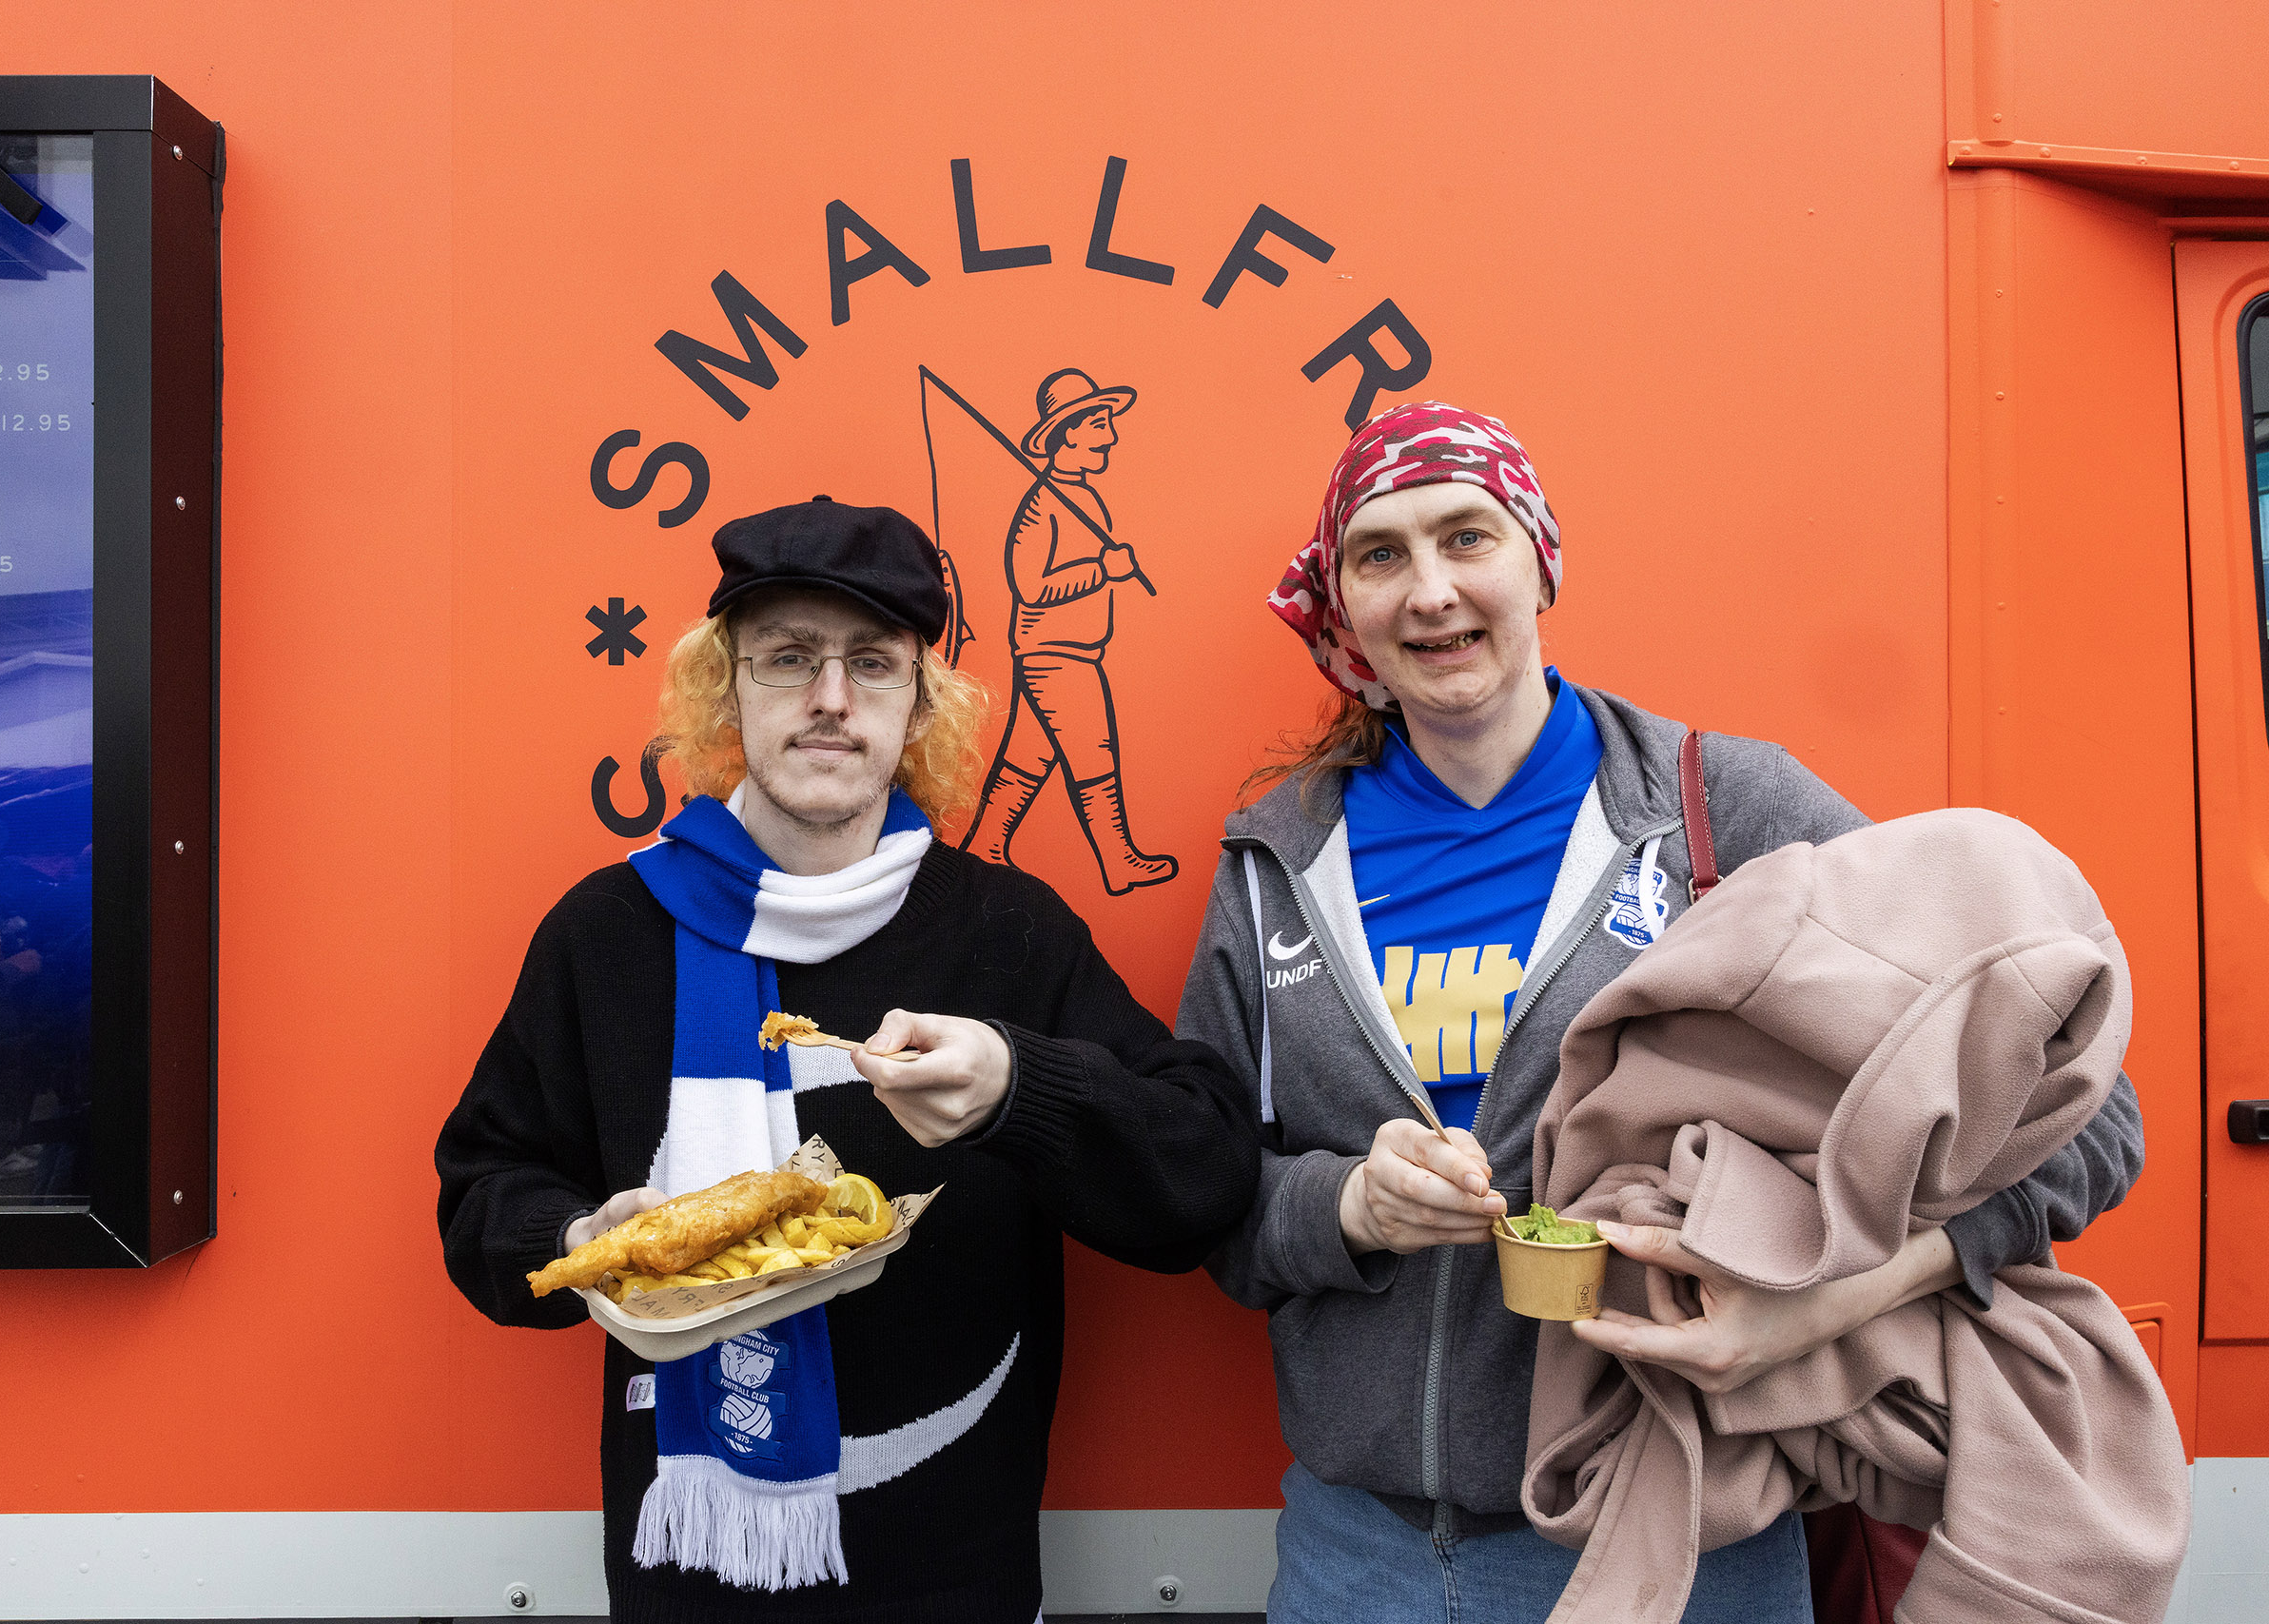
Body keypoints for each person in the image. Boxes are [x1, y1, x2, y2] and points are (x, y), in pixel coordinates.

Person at [1175, 402, 2146, 1623]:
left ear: (1541, 561)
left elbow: (2092, 1121)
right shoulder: (1276, 861)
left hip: (1687, 1540)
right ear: (1342, 603)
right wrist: (1349, 1209)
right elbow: (1210, 1196)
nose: (1429, 591)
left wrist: (1819, 1306)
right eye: (1380, 555)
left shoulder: (1718, 812)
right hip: (1357, 1558)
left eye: (1467, 536)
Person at [436, 496, 1255, 1624]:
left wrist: (1021, 1091)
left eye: (872, 663)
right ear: (725, 688)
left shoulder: (1008, 936)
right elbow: (480, 1196)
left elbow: (1203, 1179)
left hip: (960, 1587)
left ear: (921, 701)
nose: (830, 698)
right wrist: (583, 1242)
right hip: (687, 1593)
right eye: (788, 658)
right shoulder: (607, 934)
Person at [960, 368, 1176, 893]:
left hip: (1067, 651)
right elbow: (1030, 586)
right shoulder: (1043, 504)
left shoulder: (1083, 497)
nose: (1111, 435)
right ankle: (1118, 862)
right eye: (1099, 424)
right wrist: (1103, 569)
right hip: (1056, 654)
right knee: (1093, 757)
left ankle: (982, 848)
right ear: (1068, 432)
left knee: (1027, 760)